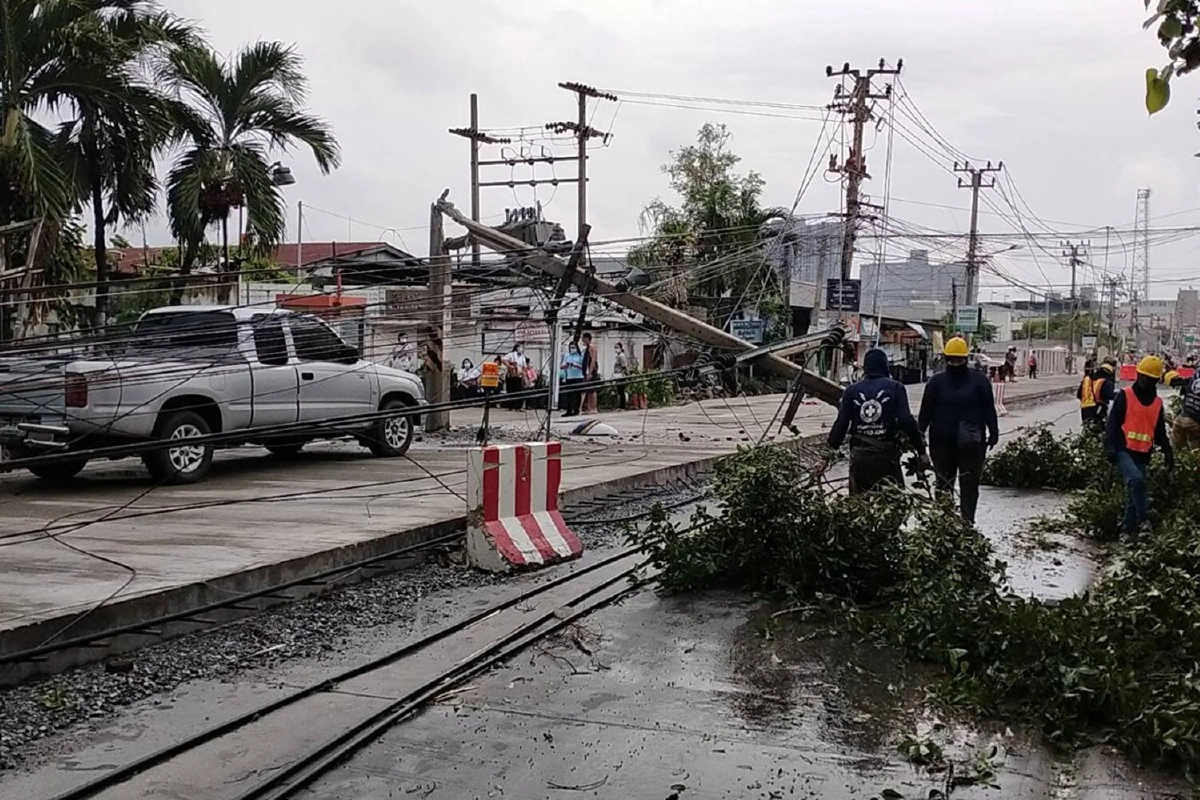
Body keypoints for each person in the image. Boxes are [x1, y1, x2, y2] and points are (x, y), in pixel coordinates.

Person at [918, 336, 1000, 525]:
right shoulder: (938, 383)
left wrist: (994, 432)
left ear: (966, 359)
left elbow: (989, 409)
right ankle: (945, 524)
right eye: (952, 360)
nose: (955, 364)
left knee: (968, 485)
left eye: (958, 360)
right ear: (946, 359)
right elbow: (924, 414)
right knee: (944, 484)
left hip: (969, 444)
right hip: (945, 444)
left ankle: (966, 523)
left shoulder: (977, 382)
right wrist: (918, 439)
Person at [827, 348, 927, 494]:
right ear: (885, 366)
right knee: (892, 506)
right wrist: (921, 450)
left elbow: (841, 425)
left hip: (859, 458)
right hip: (885, 458)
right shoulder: (895, 388)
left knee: (859, 508)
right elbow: (906, 420)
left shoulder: (852, 391)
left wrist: (826, 456)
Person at [1106, 355, 1174, 539]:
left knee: (1134, 491)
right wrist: (1110, 446)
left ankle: (1127, 530)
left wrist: (1168, 451)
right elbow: (1112, 424)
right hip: (1123, 449)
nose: (1145, 381)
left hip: (1143, 453)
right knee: (1136, 480)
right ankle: (1144, 519)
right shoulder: (1125, 395)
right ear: (1138, 375)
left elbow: (1159, 431)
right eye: (1143, 376)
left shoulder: (1158, 403)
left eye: (1149, 378)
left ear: (1155, 380)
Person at [1077, 361, 1115, 429]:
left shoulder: (1086, 380)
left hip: (1085, 409)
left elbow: (1079, 395)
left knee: (1087, 429)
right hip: (1099, 409)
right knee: (1098, 430)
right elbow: (1109, 396)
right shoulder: (1106, 382)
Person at [1173, 366, 1200, 452]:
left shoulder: (1197, 372)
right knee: (1196, 453)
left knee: (1179, 451)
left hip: (1180, 418)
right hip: (1195, 421)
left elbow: (1185, 387)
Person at [559, 342, 586, 417]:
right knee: (569, 394)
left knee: (577, 394)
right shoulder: (567, 355)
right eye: (571, 347)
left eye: (574, 347)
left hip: (578, 376)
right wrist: (566, 365)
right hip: (569, 376)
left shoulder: (580, 356)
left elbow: (583, 367)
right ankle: (569, 410)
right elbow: (562, 366)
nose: (572, 349)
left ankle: (576, 410)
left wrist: (576, 365)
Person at [502, 343, 528, 410]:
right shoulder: (511, 354)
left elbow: (524, 366)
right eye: (520, 347)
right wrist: (509, 366)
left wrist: (522, 371)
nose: (521, 349)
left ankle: (518, 406)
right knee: (511, 390)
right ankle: (511, 406)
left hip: (518, 375)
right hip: (511, 375)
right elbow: (503, 359)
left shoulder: (522, 356)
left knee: (518, 390)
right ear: (517, 348)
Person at [581, 333, 599, 414]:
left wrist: (590, 372)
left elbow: (593, 359)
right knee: (588, 389)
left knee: (592, 390)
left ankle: (594, 408)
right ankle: (589, 408)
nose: (582, 340)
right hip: (586, 370)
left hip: (590, 371)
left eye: (583, 338)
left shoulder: (591, 347)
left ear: (587, 338)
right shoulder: (587, 347)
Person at [613, 342, 629, 411]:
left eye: (617, 347)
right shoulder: (617, 356)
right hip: (617, 374)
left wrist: (623, 375)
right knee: (619, 391)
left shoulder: (621, 356)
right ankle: (619, 406)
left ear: (621, 348)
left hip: (620, 375)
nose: (616, 349)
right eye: (615, 347)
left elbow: (624, 366)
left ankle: (622, 406)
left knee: (621, 391)